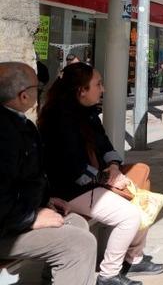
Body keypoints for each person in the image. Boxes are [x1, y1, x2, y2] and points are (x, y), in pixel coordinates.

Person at [39, 63, 163, 285]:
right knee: (130, 215)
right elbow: (71, 168)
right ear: (81, 90)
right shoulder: (59, 120)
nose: (103, 89)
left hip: (94, 182)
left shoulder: (87, 113)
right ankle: (109, 274)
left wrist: (114, 167)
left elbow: (105, 144)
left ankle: (134, 258)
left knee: (143, 189)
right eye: (98, 84)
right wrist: (108, 179)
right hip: (71, 189)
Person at [0, 62, 97, 285]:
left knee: (76, 223)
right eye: (38, 88)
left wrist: (45, 201)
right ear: (24, 96)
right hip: (7, 227)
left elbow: (23, 179)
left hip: (13, 218)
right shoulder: (5, 133)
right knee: (79, 244)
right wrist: (32, 217)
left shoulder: (17, 124)